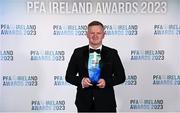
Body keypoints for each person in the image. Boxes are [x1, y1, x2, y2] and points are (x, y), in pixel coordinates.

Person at [65, 21, 126, 112]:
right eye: (92, 33)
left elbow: (121, 77)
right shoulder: (78, 53)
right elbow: (69, 76)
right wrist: (81, 81)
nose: (95, 36)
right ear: (87, 34)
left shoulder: (112, 53)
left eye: (98, 33)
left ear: (103, 35)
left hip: (106, 103)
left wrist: (106, 82)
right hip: (84, 104)